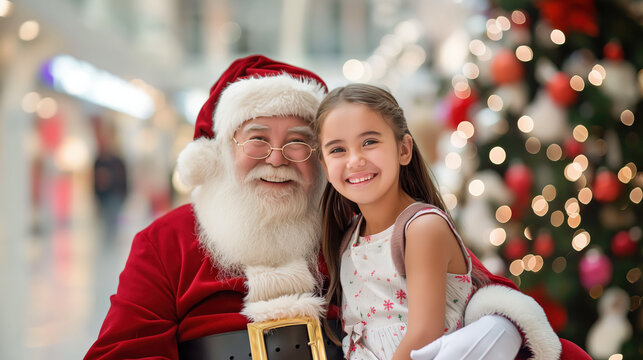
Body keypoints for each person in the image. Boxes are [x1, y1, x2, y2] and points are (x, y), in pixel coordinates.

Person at [85, 55, 590, 360]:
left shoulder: (364, 225)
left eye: (300, 142)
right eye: (256, 139)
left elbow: (476, 288)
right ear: (220, 150)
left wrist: (502, 325)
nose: (277, 159)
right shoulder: (166, 241)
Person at [313, 84, 590, 360]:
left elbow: (424, 336)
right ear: (325, 166)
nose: (355, 160)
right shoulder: (348, 238)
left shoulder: (421, 229)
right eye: (337, 150)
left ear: (404, 150)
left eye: (369, 142)